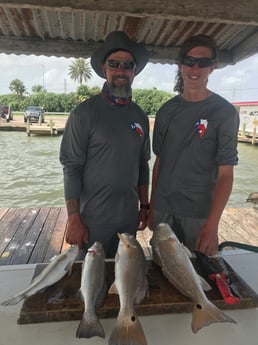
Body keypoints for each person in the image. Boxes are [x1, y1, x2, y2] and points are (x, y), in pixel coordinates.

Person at [60, 31, 150, 258]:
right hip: (93, 221)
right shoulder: (84, 113)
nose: (121, 70)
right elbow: (71, 167)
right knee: (90, 286)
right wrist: (73, 218)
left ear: (134, 70)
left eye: (128, 65)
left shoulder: (139, 115)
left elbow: (143, 164)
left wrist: (145, 206)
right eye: (114, 64)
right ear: (104, 68)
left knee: (124, 283)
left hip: (129, 220)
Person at [148, 34, 239, 256]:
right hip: (163, 211)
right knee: (163, 273)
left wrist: (212, 225)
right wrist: (151, 207)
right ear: (180, 65)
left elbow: (226, 174)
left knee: (200, 278)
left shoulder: (225, 113)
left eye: (203, 62)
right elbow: (159, 162)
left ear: (213, 67)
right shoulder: (166, 111)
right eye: (189, 61)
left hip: (198, 215)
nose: (195, 68)